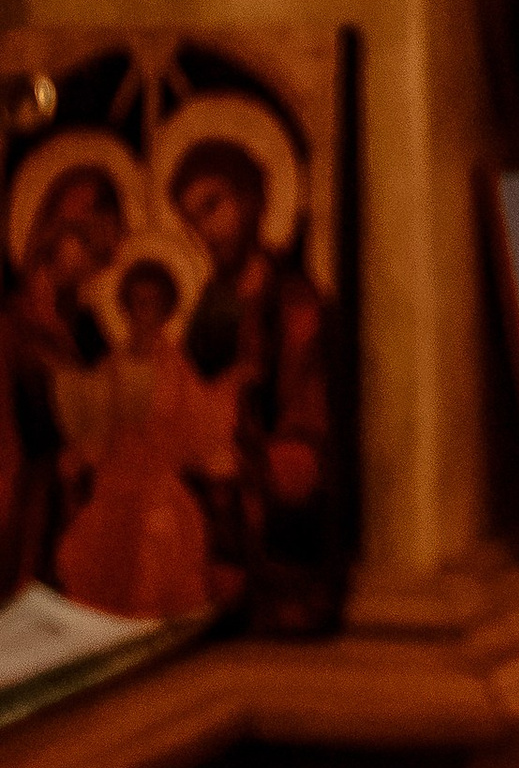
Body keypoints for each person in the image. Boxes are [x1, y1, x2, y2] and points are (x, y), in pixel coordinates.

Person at [173, 134, 341, 635]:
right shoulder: (206, 303)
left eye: (214, 206)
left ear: (252, 200)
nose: (206, 230)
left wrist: (244, 447)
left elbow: (305, 422)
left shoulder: (292, 299)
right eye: (193, 218)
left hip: (267, 489)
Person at [52, 258, 224, 622]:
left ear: (166, 310)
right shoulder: (112, 365)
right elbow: (94, 425)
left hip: (156, 481)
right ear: (126, 306)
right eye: (137, 302)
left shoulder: (176, 366)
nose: (143, 311)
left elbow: (195, 426)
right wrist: (81, 451)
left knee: (157, 543)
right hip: (114, 480)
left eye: (153, 303)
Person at [1, 161, 128, 595]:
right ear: (52, 236)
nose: (90, 263)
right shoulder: (12, 326)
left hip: (81, 498)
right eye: (84, 244)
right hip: (28, 499)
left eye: (99, 254)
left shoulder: (90, 329)